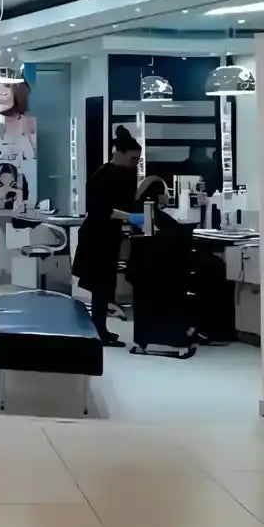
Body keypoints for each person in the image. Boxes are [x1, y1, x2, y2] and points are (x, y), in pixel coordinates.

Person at [72, 125, 141, 346]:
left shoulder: (125, 175)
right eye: (132, 159)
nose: (135, 164)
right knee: (100, 287)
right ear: (119, 153)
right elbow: (99, 209)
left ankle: (100, 329)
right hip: (96, 237)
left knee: (103, 288)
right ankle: (99, 330)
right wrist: (130, 218)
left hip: (108, 236)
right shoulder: (102, 175)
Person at [125, 176, 196, 355]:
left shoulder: (143, 212)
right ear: (158, 195)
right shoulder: (150, 213)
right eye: (166, 192)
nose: (168, 196)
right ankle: (179, 337)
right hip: (160, 268)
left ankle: (144, 340)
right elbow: (172, 237)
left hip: (144, 267)